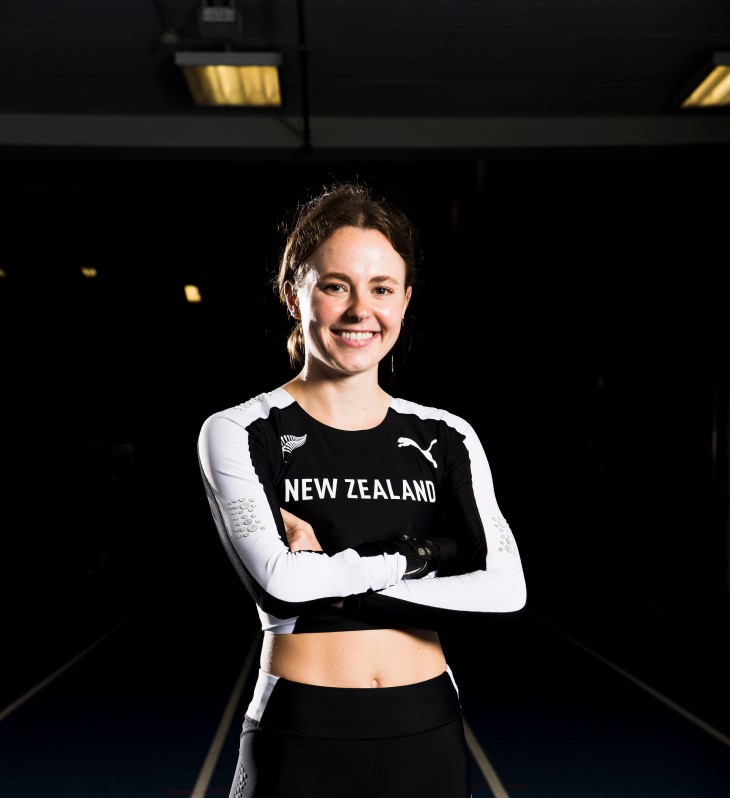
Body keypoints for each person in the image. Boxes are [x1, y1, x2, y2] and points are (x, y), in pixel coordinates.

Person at [197, 181, 527, 798]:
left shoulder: (448, 435)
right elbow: (284, 583)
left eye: (380, 289)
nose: (360, 311)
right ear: (295, 295)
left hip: (427, 727)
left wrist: (332, 579)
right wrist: (420, 558)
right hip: (302, 731)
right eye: (334, 285)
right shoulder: (240, 431)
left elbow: (506, 592)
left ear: (403, 301)